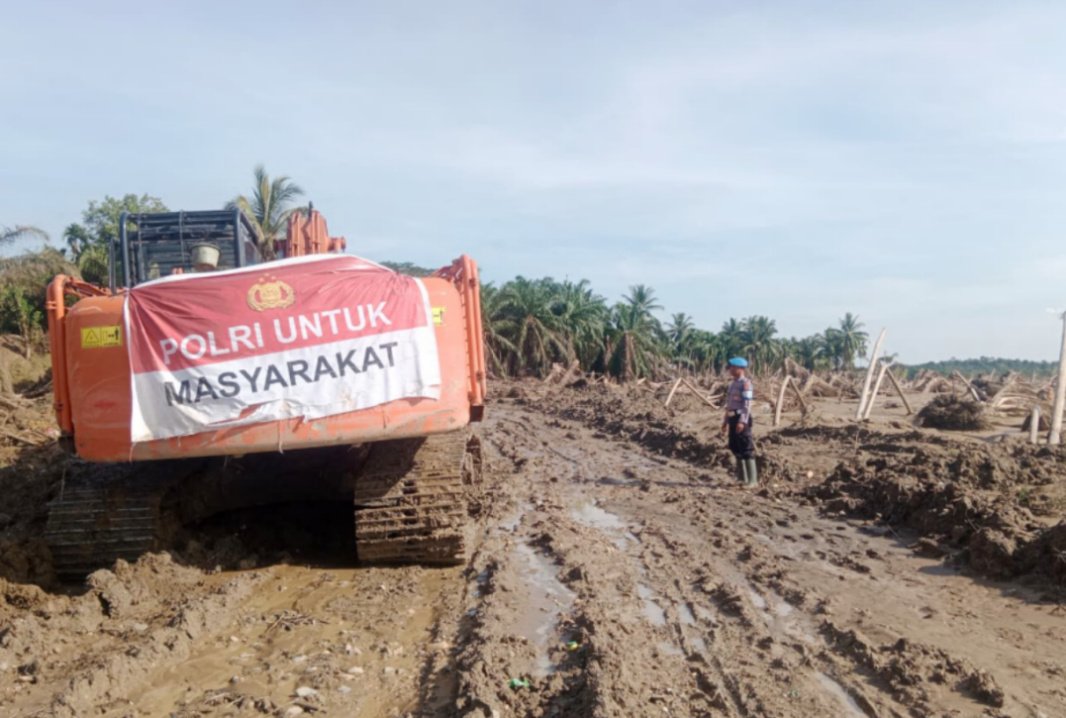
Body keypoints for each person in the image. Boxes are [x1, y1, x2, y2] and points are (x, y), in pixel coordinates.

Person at [721, 357, 757, 487]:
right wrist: (725, 421)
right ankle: (742, 478)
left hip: (742, 418)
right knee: (734, 447)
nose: (730, 370)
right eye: (730, 368)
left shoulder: (745, 384)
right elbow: (729, 405)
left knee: (746, 448)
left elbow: (747, 405)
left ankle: (752, 481)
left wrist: (742, 421)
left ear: (740, 369)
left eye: (732, 368)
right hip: (732, 418)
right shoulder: (732, 384)